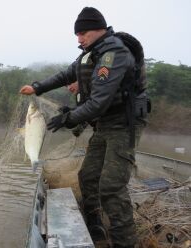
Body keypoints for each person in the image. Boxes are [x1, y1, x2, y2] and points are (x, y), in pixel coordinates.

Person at [19, 7, 148, 248]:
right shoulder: (89, 54)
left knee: (111, 186)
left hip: (123, 124)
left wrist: (68, 119)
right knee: (88, 176)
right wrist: (37, 87)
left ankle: (124, 242)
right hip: (104, 124)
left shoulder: (114, 54)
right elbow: (65, 75)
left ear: (99, 29)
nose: (79, 39)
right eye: (77, 34)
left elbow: (99, 102)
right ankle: (95, 225)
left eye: (83, 33)